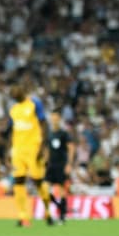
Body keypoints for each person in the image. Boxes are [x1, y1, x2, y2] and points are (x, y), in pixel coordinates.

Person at [6, 84, 48, 227]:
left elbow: (43, 123)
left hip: (33, 147)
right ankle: (22, 215)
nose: (14, 96)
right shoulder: (14, 110)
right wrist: (10, 149)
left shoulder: (34, 103)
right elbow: (13, 130)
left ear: (22, 91)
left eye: (16, 92)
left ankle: (48, 212)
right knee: (18, 181)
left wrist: (42, 146)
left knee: (37, 181)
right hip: (18, 149)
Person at [43, 111, 75, 225]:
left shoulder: (64, 134)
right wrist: (44, 163)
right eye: (52, 118)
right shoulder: (50, 134)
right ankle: (58, 207)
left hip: (61, 165)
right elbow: (47, 150)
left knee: (61, 190)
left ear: (59, 119)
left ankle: (62, 216)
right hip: (51, 166)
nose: (54, 120)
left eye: (56, 118)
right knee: (44, 189)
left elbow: (71, 148)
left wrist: (69, 164)